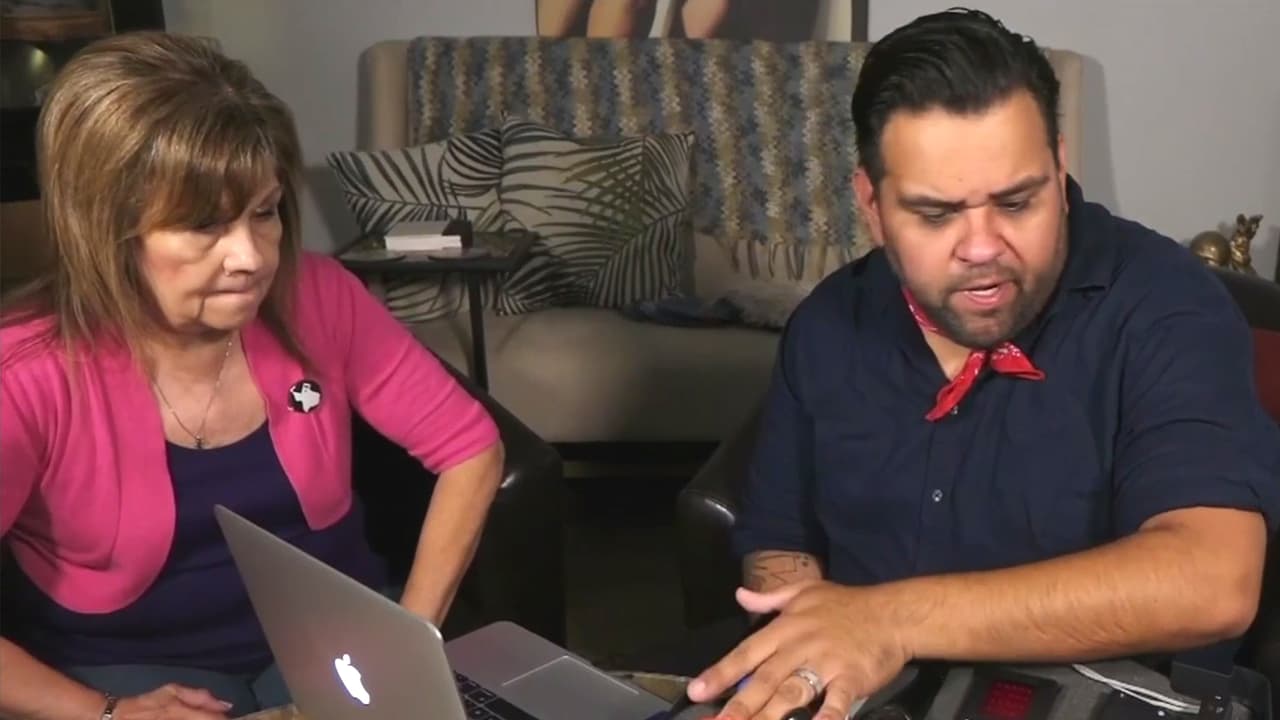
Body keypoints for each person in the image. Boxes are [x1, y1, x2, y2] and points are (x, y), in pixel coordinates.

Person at [682, 9, 1280, 720]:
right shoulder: (828, 326)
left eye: (1017, 201)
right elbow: (779, 537)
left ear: (1059, 169)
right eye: (936, 214)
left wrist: (883, 621)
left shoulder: (1166, 307)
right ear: (872, 206)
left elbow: (1212, 584)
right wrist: (811, 653)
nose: (983, 248)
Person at [0, 32, 505, 719]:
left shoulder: (317, 296)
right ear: (105, 229)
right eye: (203, 225)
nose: (252, 257)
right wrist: (104, 711)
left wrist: (408, 641)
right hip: (121, 671)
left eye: (263, 212)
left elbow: (470, 447)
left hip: (335, 648)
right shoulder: (24, 373)